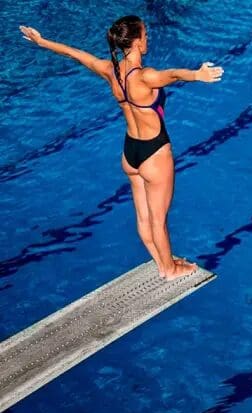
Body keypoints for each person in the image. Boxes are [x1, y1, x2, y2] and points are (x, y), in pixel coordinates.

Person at [20, 16, 223, 280]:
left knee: (143, 215)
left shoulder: (110, 71)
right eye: (145, 35)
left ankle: (162, 262)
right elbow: (172, 75)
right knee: (158, 219)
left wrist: (42, 41)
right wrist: (197, 75)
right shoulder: (145, 76)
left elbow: (77, 55)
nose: (147, 39)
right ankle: (169, 269)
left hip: (130, 154)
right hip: (154, 153)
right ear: (137, 42)